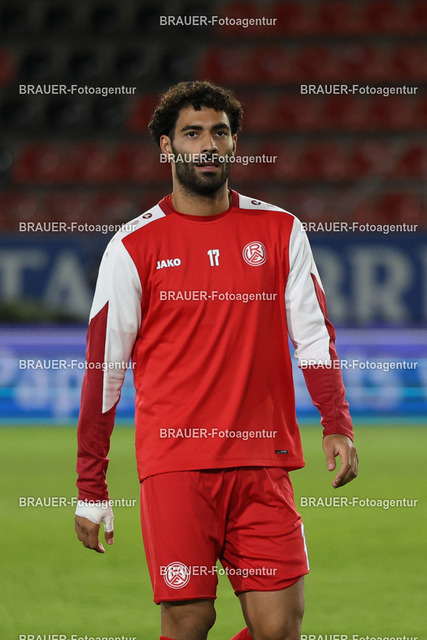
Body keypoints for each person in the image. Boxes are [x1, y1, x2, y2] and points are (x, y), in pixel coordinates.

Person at [75, 80, 358, 640]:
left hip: (263, 461)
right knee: (189, 620)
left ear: (233, 143)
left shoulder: (280, 229)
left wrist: (337, 422)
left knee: (279, 627)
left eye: (220, 133)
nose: (208, 144)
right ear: (167, 147)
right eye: (192, 133)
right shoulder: (131, 247)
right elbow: (104, 372)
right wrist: (91, 487)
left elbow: (313, 338)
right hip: (176, 466)